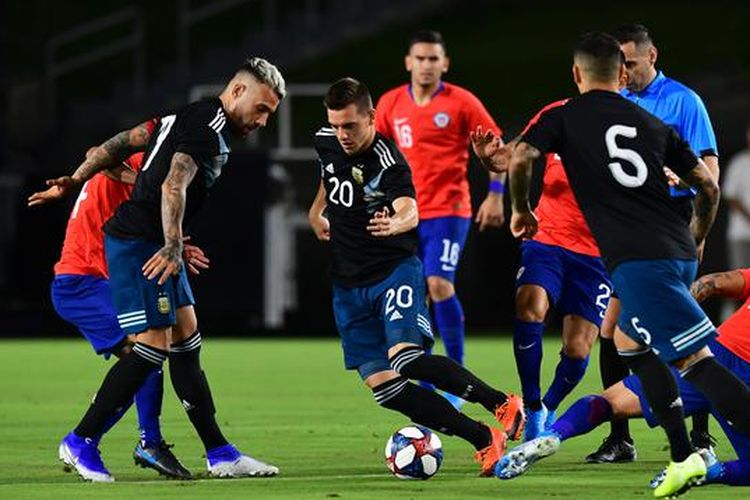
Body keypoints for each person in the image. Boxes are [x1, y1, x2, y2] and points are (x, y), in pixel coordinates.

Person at [506, 32, 750, 497]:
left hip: (641, 259)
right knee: (626, 341)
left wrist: (520, 209)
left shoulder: (565, 114)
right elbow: (710, 187)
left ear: (577, 74)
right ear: (621, 74)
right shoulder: (649, 120)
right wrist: (694, 239)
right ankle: (682, 452)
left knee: (698, 362)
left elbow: (520, 155)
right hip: (670, 248)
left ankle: (689, 454)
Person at [33, 57, 286, 482]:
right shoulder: (208, 130)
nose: (263, 120)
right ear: (238, 91)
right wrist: (172, 244)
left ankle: (220, 453)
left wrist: (74, 180)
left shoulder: (189, 115)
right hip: (138, 245)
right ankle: (81, 441)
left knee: (187, 341)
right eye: (262, 109)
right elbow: (172, 184)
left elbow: (121, 141)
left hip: (153, 243)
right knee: (150, 349)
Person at [309, 77, 524, 477]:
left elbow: (409, 207)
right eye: (336, 125)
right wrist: (316, 209)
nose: (342, 135)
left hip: (393, 273)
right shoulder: (326, 139)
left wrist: (397, 223)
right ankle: (483, 439)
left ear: (372, 118)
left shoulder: (389, 161)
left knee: (406, 358)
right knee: (385, 388)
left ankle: (500, 401)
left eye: (350, 126)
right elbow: (328, 170)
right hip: (347, 285)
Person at [28, 141, 210, 479]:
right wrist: (139, 179)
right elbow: (95, 154)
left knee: (148, 352)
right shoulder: (149, 161)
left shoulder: (152, 176)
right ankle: (88, 441)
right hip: (81, 283)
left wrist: (178, 246)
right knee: (148, 349)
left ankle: (145, 443)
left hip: (97, 281)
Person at [588, 23, 722, 463]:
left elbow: (709, 171)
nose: (622, 71)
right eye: (618, 63)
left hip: (675, 225)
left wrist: (694, 227)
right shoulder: (615, 101)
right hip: (631, 229)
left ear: (652, 56)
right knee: (609, 329)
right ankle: (620, 438)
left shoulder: (684, 101)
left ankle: (701, 435)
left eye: (630, 61)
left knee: (684, 329)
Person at [495, 267, 750, 488]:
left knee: (610, 402)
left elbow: (712, 283)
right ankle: (708, 470)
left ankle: (552, 435)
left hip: (709, 355)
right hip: (742, 379)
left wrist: (680, 312)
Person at [375, 31, 506, 407]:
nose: (427, 65)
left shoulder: (462, 102)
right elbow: (373, 156)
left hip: (448, 211)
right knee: (409, 294)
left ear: (444, 64)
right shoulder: (390, 104)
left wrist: (496, 196)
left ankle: (457, 374)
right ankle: (424, 374)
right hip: (404, 213)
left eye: (434, 59)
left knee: (439, 285)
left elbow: (497, 149)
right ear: (408, 62)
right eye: (420, 58)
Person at [473, 100, 611, 441]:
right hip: (547, 236)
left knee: (578, 349)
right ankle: (532, 405)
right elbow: (512, 156)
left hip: (598, 252)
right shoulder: (558, 115)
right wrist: (490, 159)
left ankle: (548, 406)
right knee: (529, 306)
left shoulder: (630, 123)